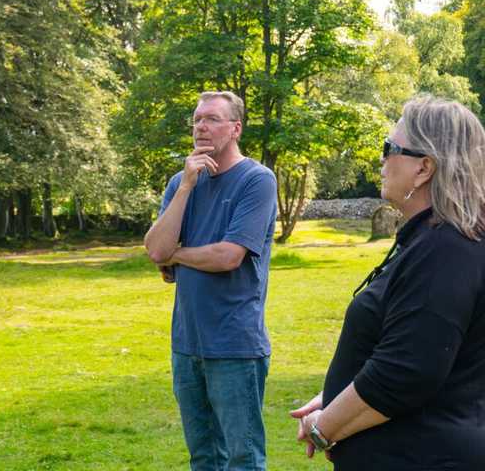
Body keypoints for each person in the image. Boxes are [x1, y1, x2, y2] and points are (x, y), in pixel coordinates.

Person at [290, 96, 485, 470]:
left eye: (389, 148)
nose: (381, 160)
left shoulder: (446, 248)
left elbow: (405, 373)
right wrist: (338, 398)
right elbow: (408, 341)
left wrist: (326, 426)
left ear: (424, 168)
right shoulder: (433, 240)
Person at [145, 91, 278, 470]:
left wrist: (178, 256)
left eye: (212, 119)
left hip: (235, 346)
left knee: (243, 458)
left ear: (235, 128)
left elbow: (228, 256)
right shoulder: (180, 183)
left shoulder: (257, 180)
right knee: (203, 458)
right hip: (186, 345)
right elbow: (156, 248)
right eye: (197, 119)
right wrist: (186, 185)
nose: (201, 126)